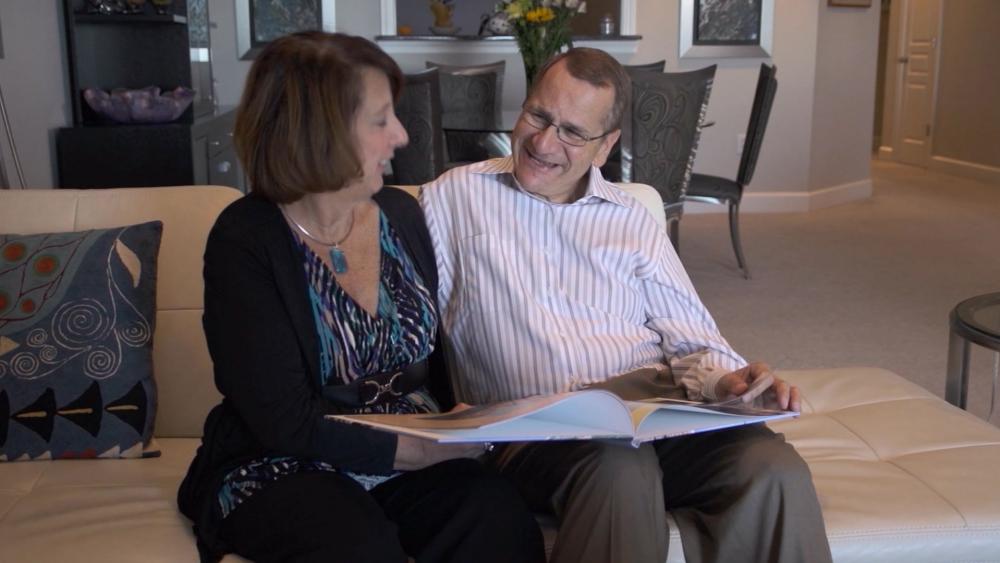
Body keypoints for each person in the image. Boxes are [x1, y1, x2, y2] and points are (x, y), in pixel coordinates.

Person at [420, 48, 832, 563]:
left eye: (573, 133)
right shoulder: (454, 197)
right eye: (538, 116)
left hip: (650, 409)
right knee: (620, 470)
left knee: (772, 468)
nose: (544, 143)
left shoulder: (631, 218)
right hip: (535, 429)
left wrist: (729, 382)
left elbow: (692, 338)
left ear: (605, 146)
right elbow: (405, 319)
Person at [177, 32, 544, 563]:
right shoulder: (246, 239)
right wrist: (419, 450)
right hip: (287, 461)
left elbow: (434, 363)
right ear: (318, 132)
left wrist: (460, 424)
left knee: (495, 514)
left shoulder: (401, 214)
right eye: (379, 120)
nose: (401, 135)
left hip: (410, 443)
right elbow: (284, 421)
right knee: (358, 547)